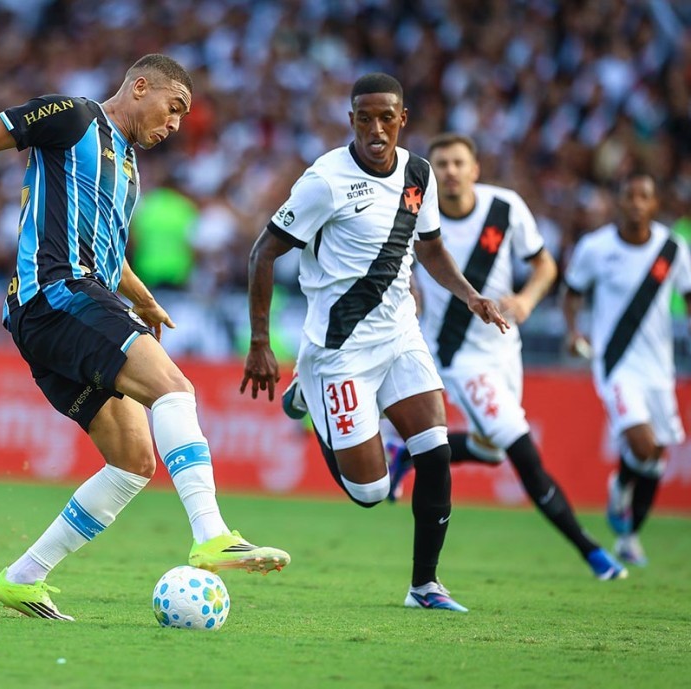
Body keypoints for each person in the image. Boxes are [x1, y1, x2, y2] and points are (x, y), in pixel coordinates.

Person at [0, 54, 289, 621]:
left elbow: (107, 247)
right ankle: (212, 535)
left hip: (61, 305)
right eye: (174, 108)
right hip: (56, 293)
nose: (175, 125)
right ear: (140, 86)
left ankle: (22, 580)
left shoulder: (128, 168)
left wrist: (143, 296)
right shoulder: (74, 117)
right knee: (174, 389)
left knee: (133, 462)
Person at [242, 73, 508, 613]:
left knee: (433, 454)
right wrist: (260, 342)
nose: (376, 129)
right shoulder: (325, 181)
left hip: (400, 336)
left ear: (402, 119)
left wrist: (471, 295)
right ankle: (310, 397)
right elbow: (263, 253)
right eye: (365, 118)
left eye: (387, 117)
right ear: (352, 121)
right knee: (370, 493)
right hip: (337, 351)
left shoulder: (419, 174)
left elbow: (430, 249)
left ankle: (425, 586)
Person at [387, 133, 627, 580]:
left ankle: (406, 453)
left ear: (475, 169)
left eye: (459, 163)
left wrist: (528, 300)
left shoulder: (506, 208)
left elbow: (545, 265)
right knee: (521, 452)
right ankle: (591, 551)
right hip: (459, 358)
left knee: (489, 450)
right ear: (430, 174)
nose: (451, 171)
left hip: (505, 350)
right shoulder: (417, 216)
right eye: (441, 164)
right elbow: (401, 268)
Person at [563, 172, 691, 568]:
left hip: (658, 367)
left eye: (644, 196)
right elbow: (572, 291)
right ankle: (619, 487)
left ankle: (630, 534)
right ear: (618, 202)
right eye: (629, 196)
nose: (636, 202)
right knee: (640, 445)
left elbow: (687, 296)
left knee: (655, 455)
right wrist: (573, 331)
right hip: (615, 364)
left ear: (655, 204)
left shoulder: (672, 248)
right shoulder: (595, 247)